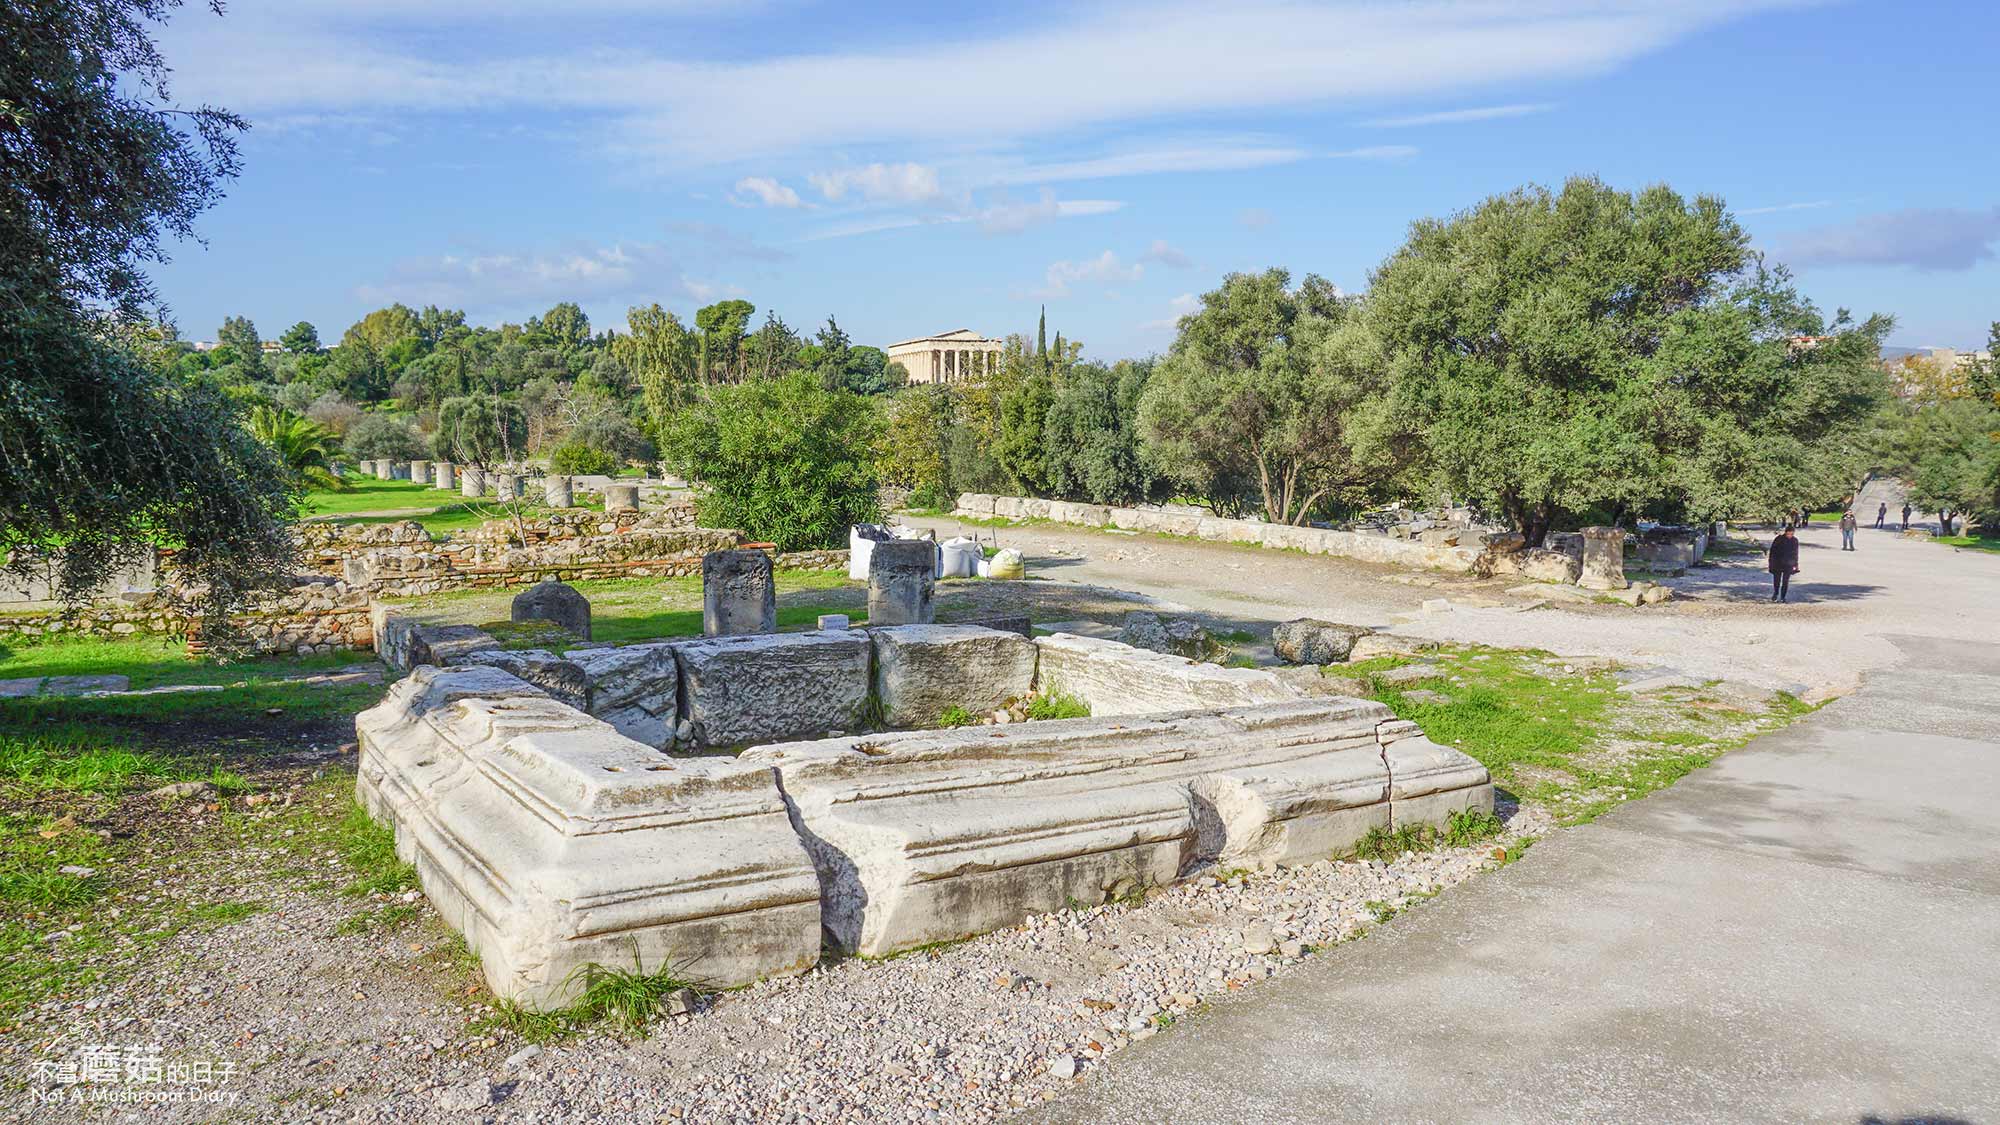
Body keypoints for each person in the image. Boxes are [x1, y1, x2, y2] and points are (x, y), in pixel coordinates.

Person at [1768, 525, 1800, 602]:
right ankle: (1775, 593)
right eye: (1788, 534)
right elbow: (1772, 551)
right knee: (1777, 580)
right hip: (1777, 563)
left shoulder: (1794, 540)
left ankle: (1783, 596)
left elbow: (1795, 553)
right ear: (1785, 532)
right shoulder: (1779, 539)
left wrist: (1796, 564)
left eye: (1792, 534)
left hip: (1788, 564)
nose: (1790, 536)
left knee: (1785, 581)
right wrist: (1771, 563)